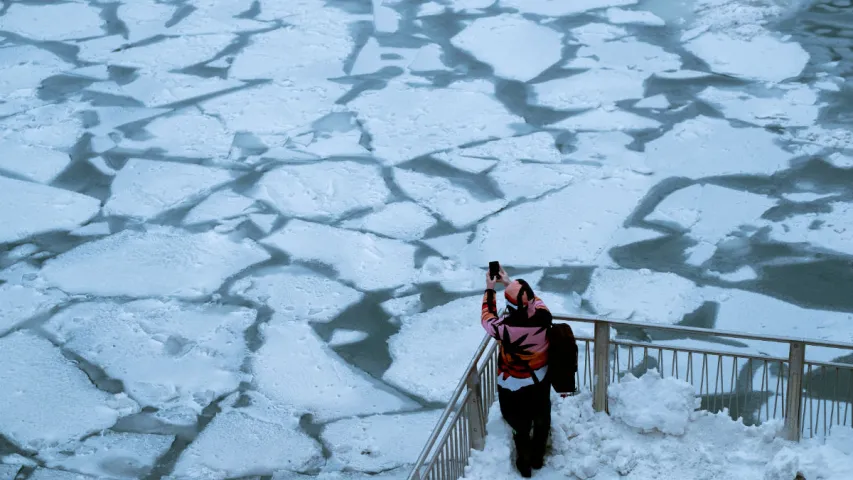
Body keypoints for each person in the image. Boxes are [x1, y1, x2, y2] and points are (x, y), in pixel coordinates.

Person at [481, 267, 552, 477]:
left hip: (513, 384)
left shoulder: (505, 328)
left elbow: (487, 318)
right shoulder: (544, 316)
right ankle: (538, 457)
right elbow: (534, 299)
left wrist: (490, 289)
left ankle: (524, 462)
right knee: (541, 418)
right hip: (539, 378)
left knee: (519, 424)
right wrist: (509, 283)